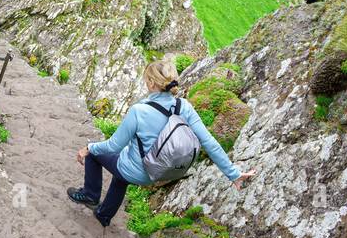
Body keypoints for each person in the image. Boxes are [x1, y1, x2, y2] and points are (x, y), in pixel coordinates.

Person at [68, 58, 256, 227]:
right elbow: (210, 143)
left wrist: (88, 147)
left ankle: (90, 196)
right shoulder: (185, 107)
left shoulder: (139, 111)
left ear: (151, 83)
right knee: (122, 173)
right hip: (161, 172)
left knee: (95, 153)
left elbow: (112, 147)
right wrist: (234, 174)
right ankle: (103, 215)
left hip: (137, 170)